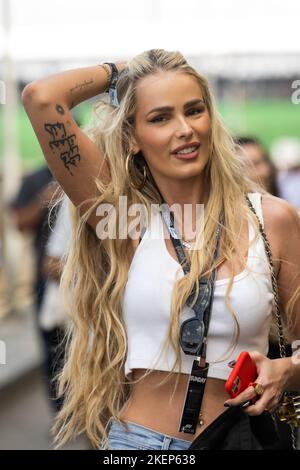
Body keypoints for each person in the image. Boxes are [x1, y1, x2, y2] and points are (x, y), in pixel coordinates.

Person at [22, 49, 300, 450]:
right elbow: (43, 99)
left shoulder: (272, 219)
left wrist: (286, 372)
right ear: (133, 137)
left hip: (241, 440)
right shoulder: (125, 221)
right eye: (160, 117)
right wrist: (127, 70)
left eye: (194, 110)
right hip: (140, 446)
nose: (184, 129)